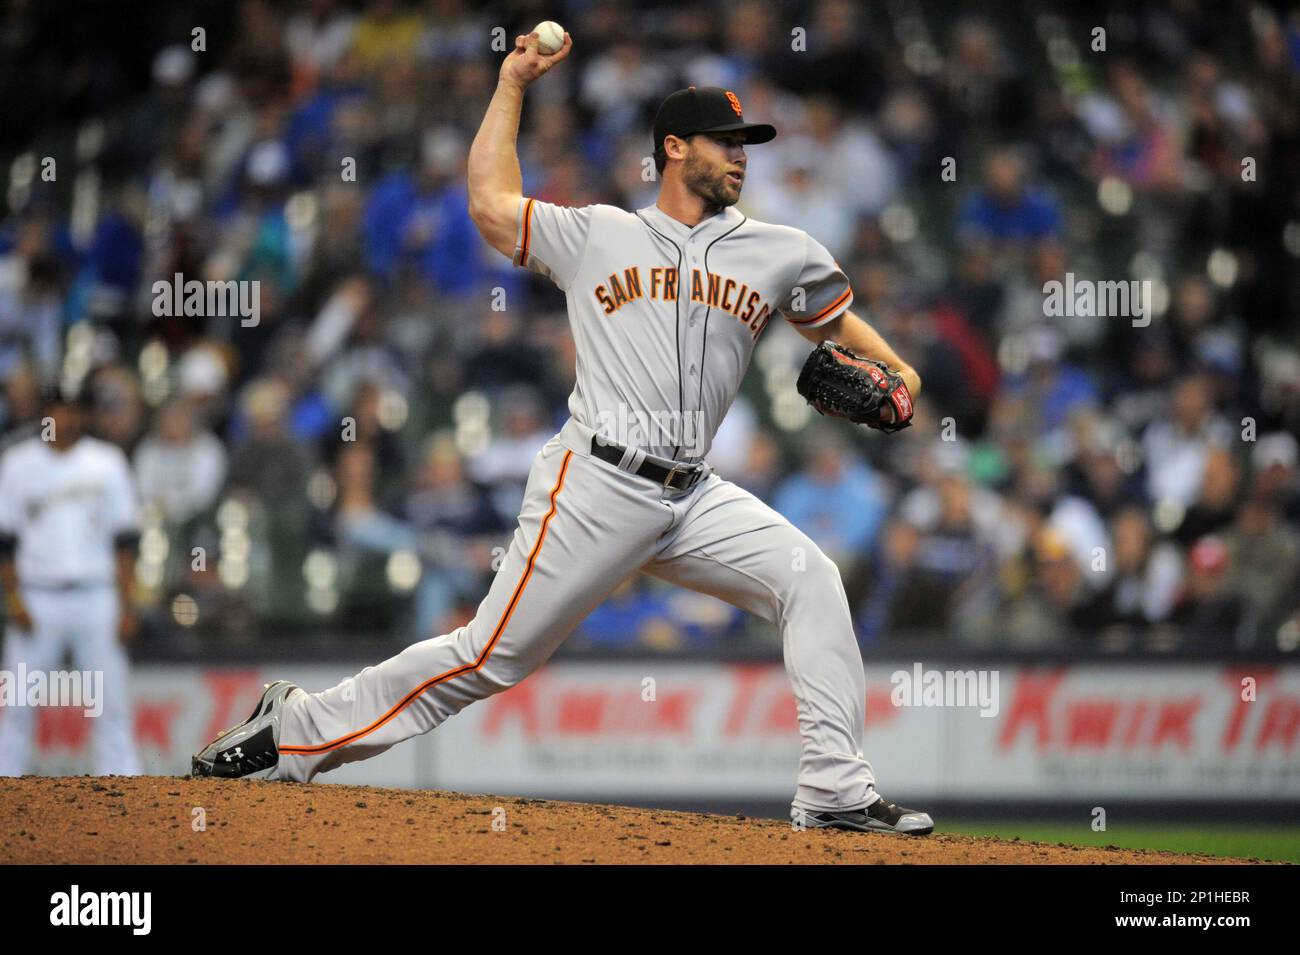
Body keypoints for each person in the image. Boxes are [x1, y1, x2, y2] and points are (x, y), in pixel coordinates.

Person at [194, 30, 932, 836]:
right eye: (726, 142)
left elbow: (844, 326)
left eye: (746, 143)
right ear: (673, 149)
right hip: (598, 482)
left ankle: (833, 788)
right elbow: (490, 204)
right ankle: (294, 730)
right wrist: (512, 84)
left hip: (695, 493)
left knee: (811, 578)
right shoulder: (599, 233)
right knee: (490, 655)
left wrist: (905, 376)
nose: (741, 156)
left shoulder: (779, 251)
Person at [0, 387, 142, 776]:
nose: (63, 420)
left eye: (71, 411)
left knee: (111, 702)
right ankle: (5, 786)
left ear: (81, 415)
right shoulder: (17, 464)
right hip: (37, 595)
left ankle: (128, 791)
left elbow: (126, 541)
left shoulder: (106, 462)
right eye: (56, 412)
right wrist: (14, 602)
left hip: (97, 595)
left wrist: (128, 607)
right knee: (15, 705)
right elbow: (5, 544)